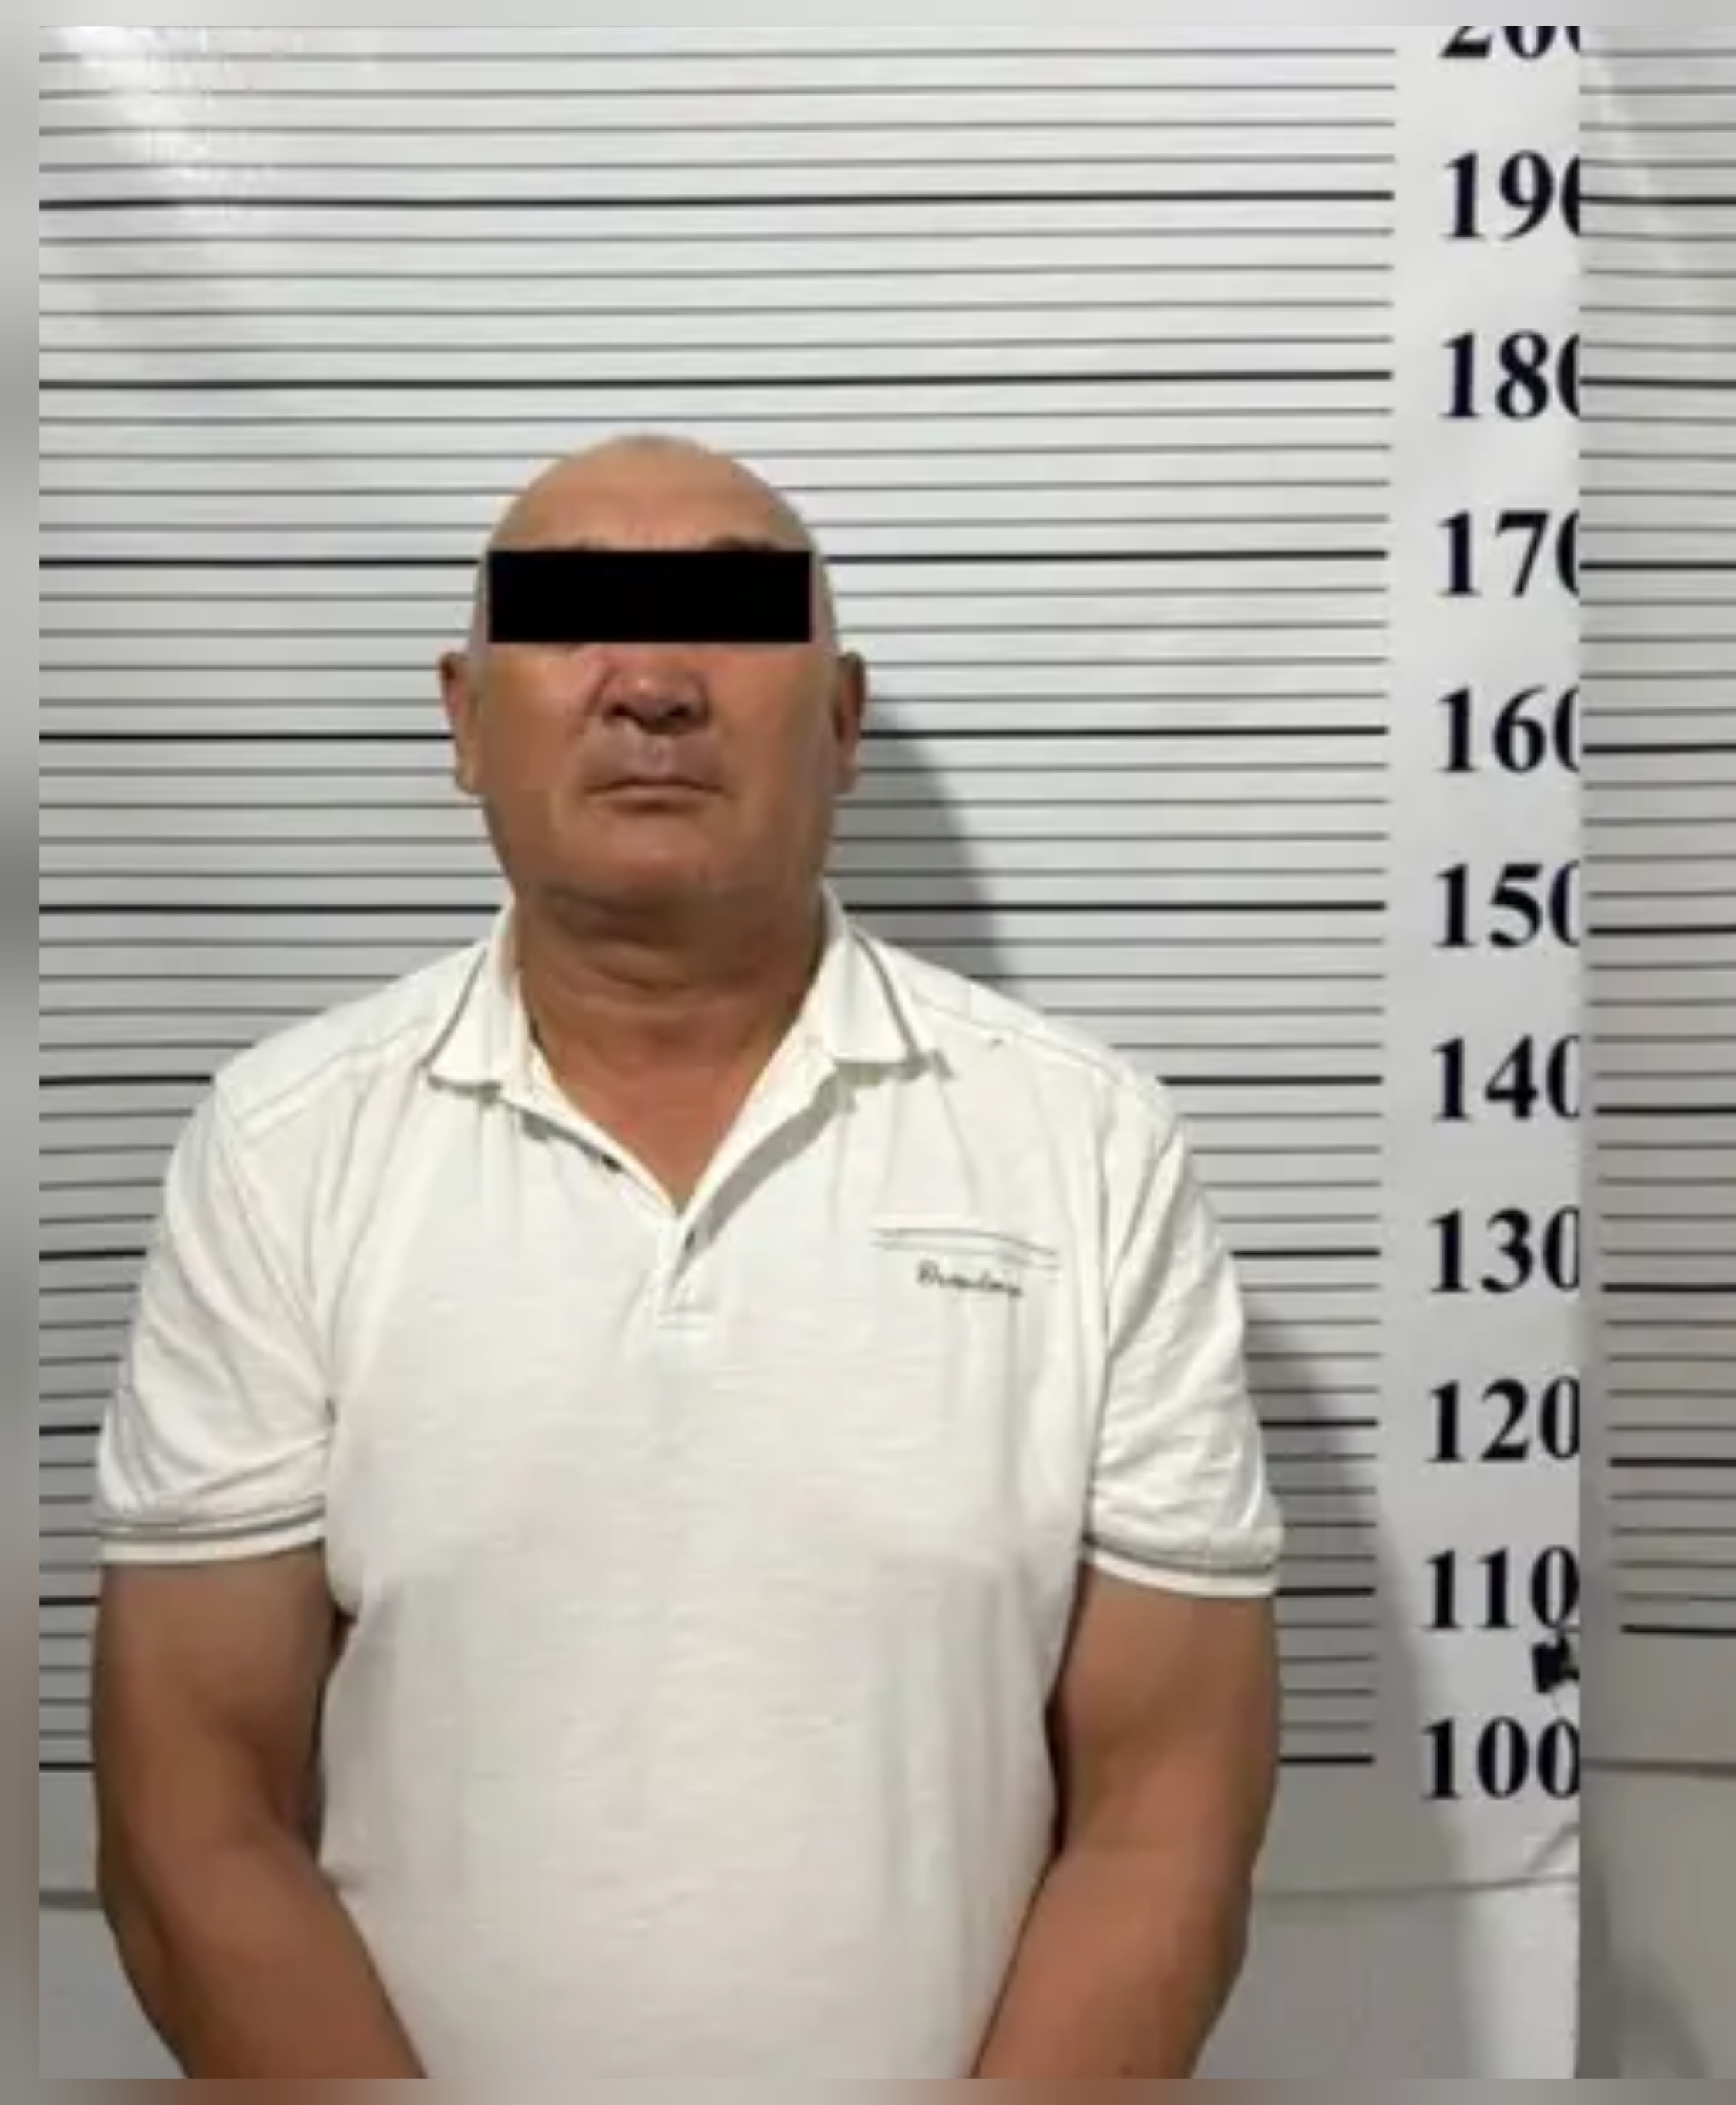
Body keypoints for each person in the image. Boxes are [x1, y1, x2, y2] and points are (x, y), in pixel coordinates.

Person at [88, 436, 1287, 2078]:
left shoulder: (1088, 1148)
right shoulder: (280, 1150)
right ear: (462, 718)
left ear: (842, 722)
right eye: (571, 619)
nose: (650, 685)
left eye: (728, 619)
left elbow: (1168, 1822)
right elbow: (191, 1820)